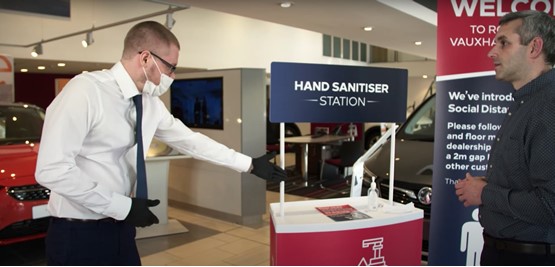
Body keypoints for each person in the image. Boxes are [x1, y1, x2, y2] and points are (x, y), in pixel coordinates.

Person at [35, 20, 286, 266]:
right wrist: (123, 206)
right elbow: (52, 169)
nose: (172, 76)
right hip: (78, 232)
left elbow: (190, 141)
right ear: (145, 58)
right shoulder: (85, 91)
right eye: (170, 67)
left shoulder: (149, 103)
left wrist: (249, 164)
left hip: (121, 229)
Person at [454, 10, 555, 265]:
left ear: (534, 47)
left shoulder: (549, 106)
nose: (491, 52)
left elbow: (550, 205)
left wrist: (485, 193)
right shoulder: (527, 100)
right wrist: (490, 182)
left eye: (504, 43)